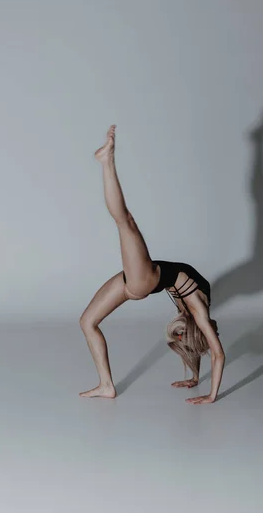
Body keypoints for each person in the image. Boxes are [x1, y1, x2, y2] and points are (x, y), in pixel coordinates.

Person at [79, 125, 225, 404]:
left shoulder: (196, 310)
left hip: (144, 279)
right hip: (139, 280)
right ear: (192, 328)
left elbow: (213, 351)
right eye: (183, 333)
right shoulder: (198, 309)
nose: (178, 331)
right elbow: (216, 353)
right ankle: (106, 385)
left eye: (179, 335)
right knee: (87, 321)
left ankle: (107, 161)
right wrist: (200, 384)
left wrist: (209, 394)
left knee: (125, 222)